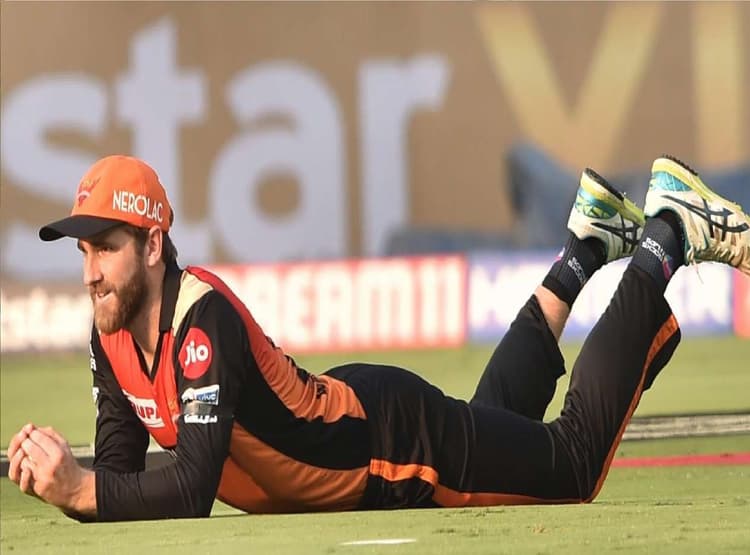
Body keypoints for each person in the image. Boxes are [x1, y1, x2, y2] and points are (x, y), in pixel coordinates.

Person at [6, 154, 749, 522]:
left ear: (152, 246)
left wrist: (81, 487)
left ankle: (667, 233)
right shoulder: (111, 335)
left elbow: (192, 487)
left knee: (572, 464)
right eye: (84, 251)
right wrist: (69, 483)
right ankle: (588, 246)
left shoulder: (202, 324)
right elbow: (119, 473)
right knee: (497, 424)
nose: (91, 271)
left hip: (392, 448)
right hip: (365, 417)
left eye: (106, 247)